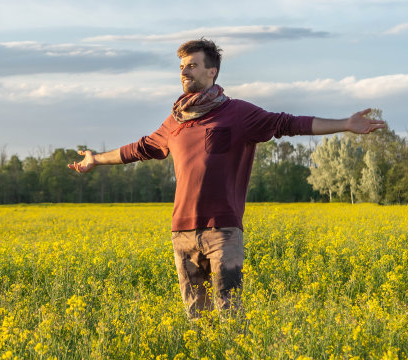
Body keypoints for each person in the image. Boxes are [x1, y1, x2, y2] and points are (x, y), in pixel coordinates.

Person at [68, 38, 385, 320]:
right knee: (196, 317)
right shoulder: (175, 121)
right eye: (181, 67)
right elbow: (140, 148)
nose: (185, 72)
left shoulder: (237, 114)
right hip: (182, 231)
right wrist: (96, 159)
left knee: (229, 312)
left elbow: (289, 123)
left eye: (192, 65)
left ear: (212, 72)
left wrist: (344, 123)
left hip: (222, 230)